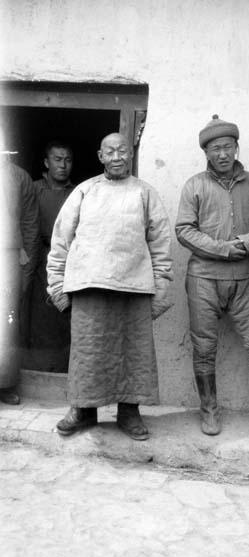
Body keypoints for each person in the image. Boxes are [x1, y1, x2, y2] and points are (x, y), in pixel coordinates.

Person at [47, 132, 173, 439]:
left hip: (134, 289)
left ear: (130, 155)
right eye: (110, 152)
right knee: (87, 354)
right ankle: (83, 411)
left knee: (133, 354)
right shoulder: (85, 190)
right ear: (100, 156)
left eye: (122, 151)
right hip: (88, 288)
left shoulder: (145, 193)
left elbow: (160, 244)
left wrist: (161, 288)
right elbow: (61, 240)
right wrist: (57, 286)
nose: (117, 157)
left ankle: (128, 413)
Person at [175, 115, 249, 436]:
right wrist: (223, 249)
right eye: (215, 149)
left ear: (237, 148)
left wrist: (247, 242)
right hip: (203, 279)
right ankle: (209, 411)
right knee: (204, 348)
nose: (222, 154)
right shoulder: (195, 185)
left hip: (243, 279)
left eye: (227, 147)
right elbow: (184, 230)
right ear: (206, 154)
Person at [28, 141, 75, 371]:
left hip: (69, 260)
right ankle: (39, 370)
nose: (63, 165)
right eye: (57, 159)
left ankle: (64, 371)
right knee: (40, 315)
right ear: (46, 162)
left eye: (67, 160)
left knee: (65, 316)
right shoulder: (34, 189)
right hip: (39, 258)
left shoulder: (78, 192)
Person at [0, 147, 39, 404]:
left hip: (9, 256)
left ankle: (4, 384)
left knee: (7, 321)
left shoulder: (20, 177)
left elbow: (29, 223)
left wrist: (27, 266)